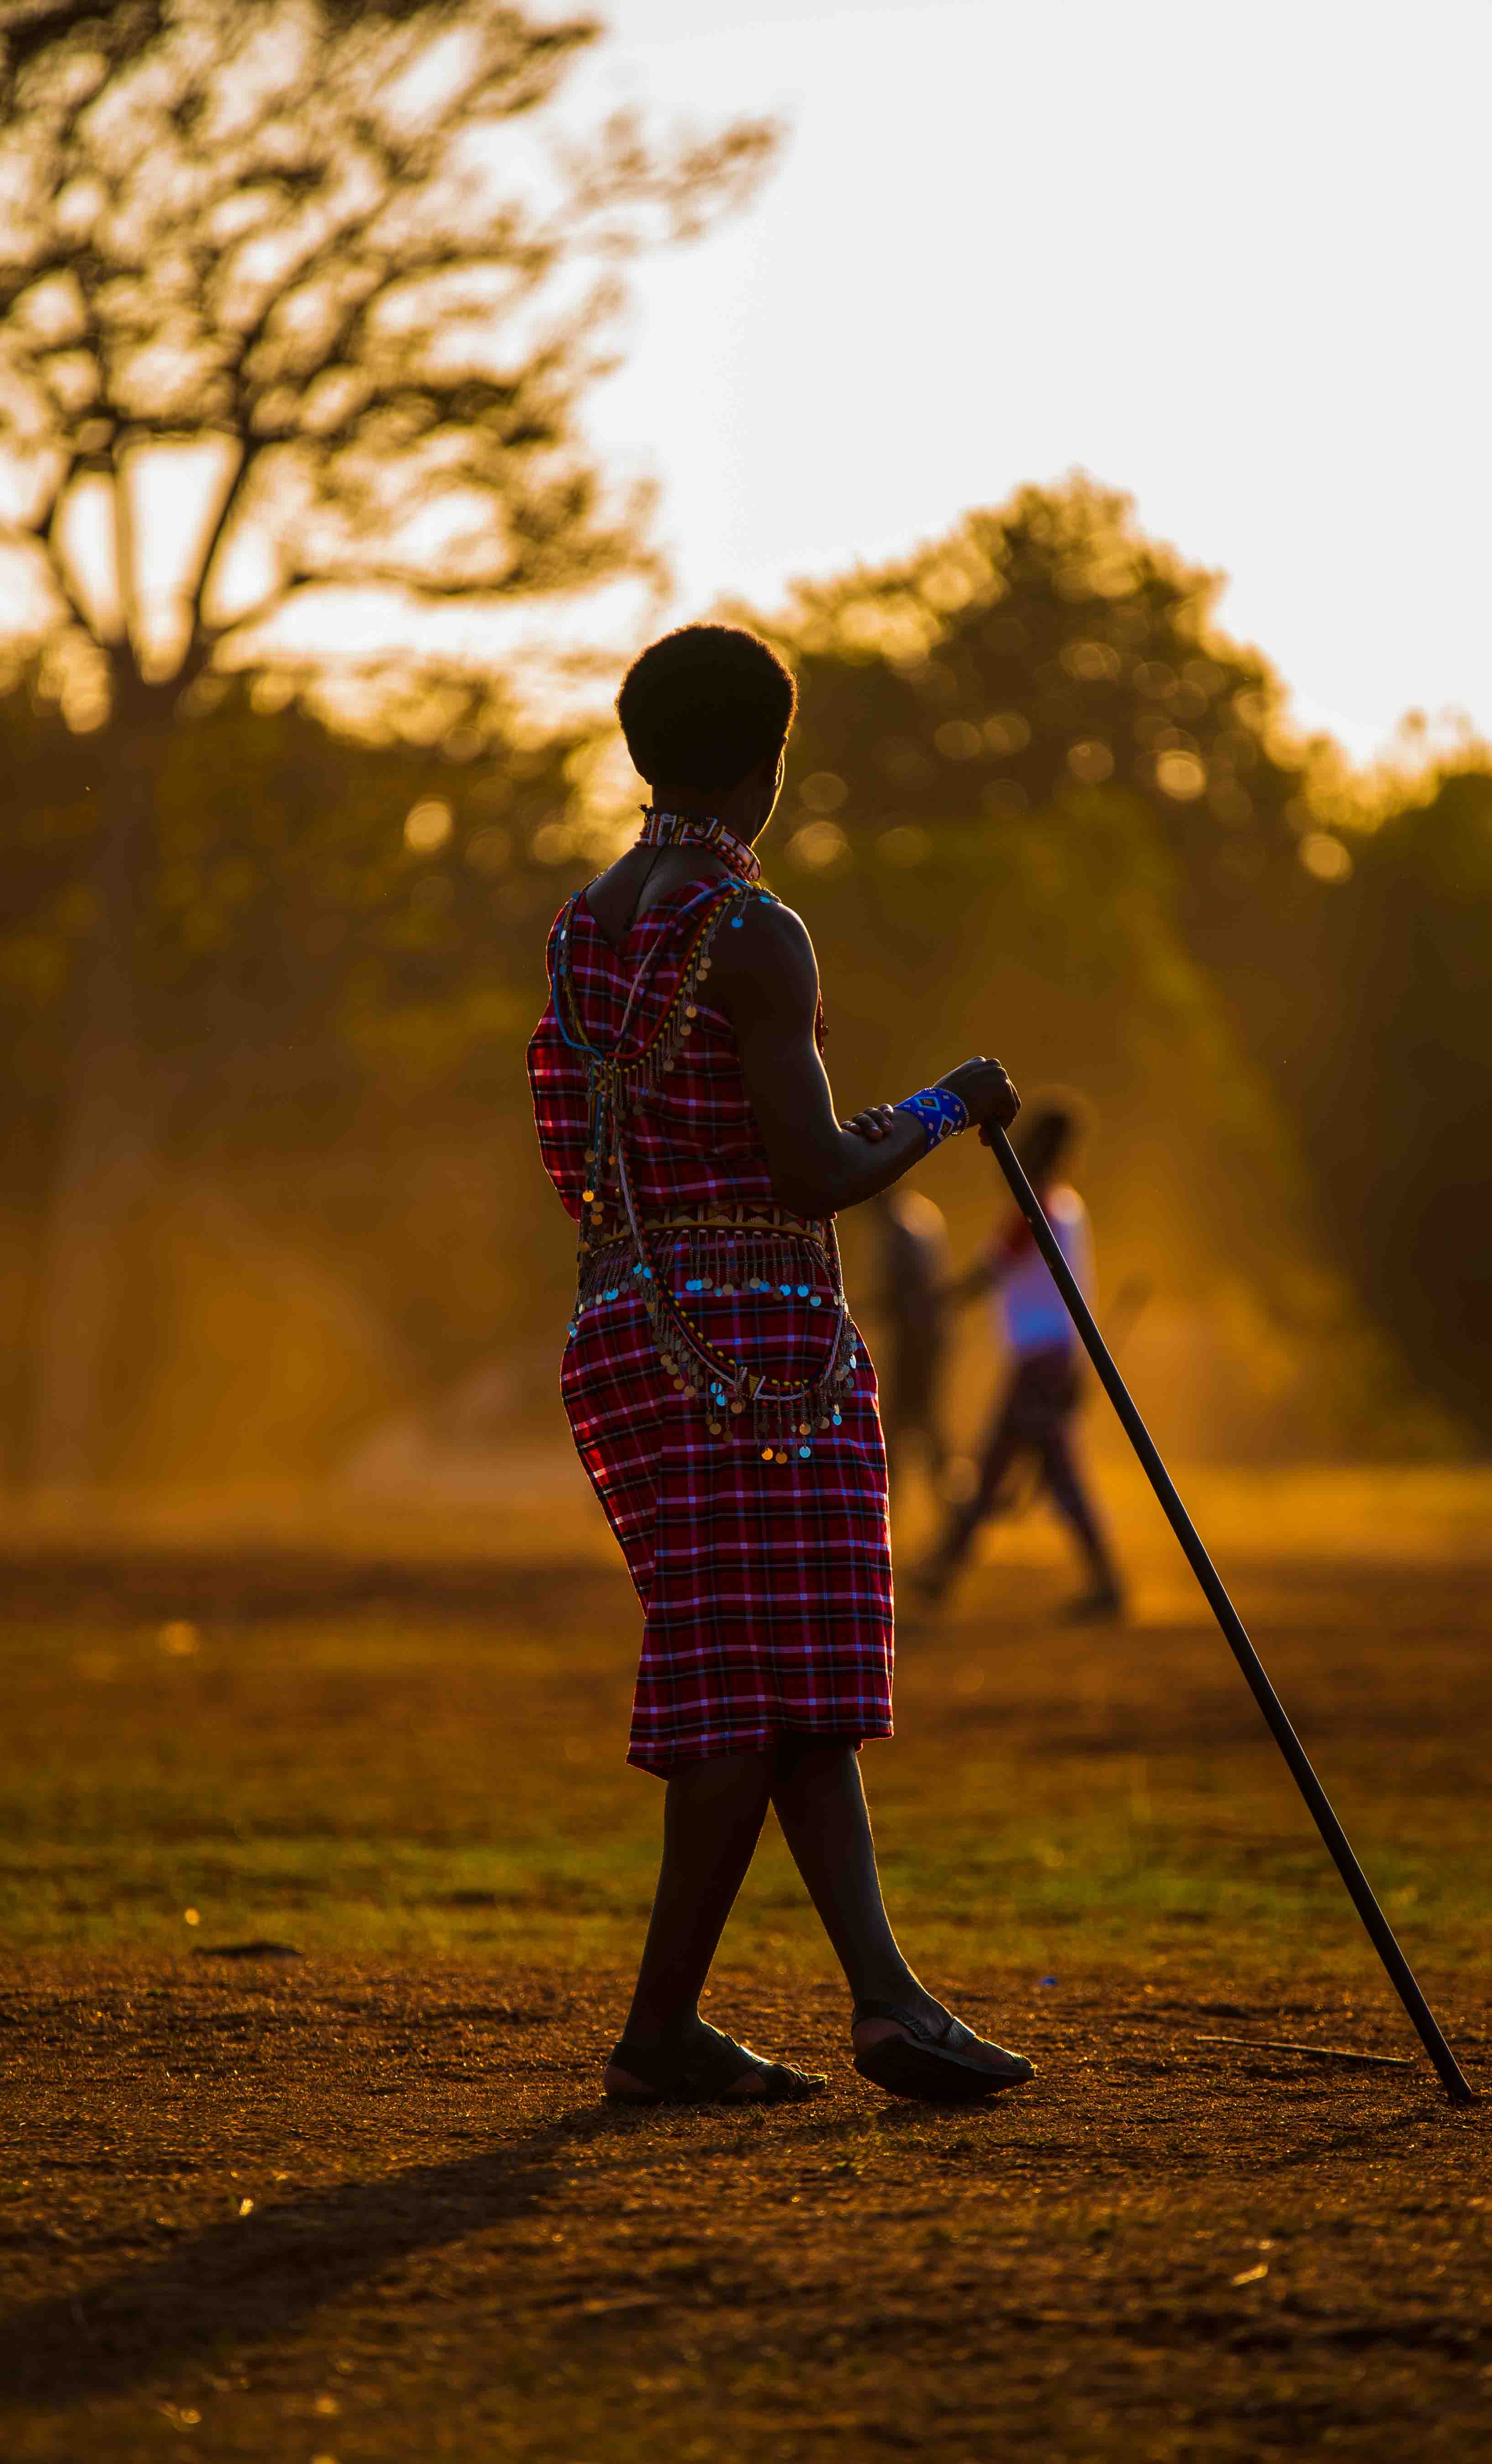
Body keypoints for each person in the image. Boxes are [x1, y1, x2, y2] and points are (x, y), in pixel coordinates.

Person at [526, 622, 1032, 2106]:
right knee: (750, 1696)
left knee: (783, 1685)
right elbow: (809, 1169)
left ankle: (882, 1997)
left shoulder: (583, 928)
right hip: (744, 1344)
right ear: (766, 766)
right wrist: (945, 1103)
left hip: (623, 1320)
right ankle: (660, 2030)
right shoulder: (751, 928)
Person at [919, 1096, 1126, 1618]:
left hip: (1039, 1359)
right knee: (1007, 1468)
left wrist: (945, 1301)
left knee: (1032, 1470)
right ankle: (945, 1567)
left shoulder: (1036, 1205)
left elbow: (996, 1264)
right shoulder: (1065, 1206)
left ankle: (1103, 1582)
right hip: (1053, 1355)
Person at [866, 1184, 954, 1506]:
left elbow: (905, 1294)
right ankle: (955, 1505)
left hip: (915, 1342)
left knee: (907, 1428)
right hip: (928, 1338)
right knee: (922, 1426)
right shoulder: (922, 1214)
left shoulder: (900, 1227)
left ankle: (890, 1506)